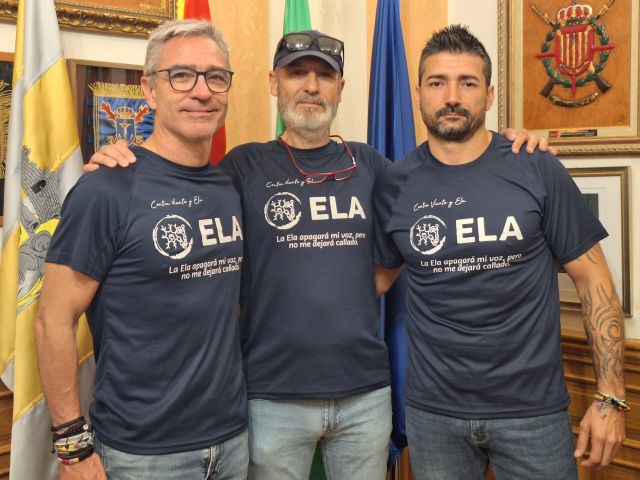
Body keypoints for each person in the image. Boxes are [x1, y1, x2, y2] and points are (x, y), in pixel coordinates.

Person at [87, 29, 553, 479]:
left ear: (340, 88)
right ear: (274, 83)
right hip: (269, 396)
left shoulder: (372, 166)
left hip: (364, 395)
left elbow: (429, 209)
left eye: (325, 75)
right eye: (296, 73)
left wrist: (510, 145)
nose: (311, 86)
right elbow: (179, 185)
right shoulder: (241, 167)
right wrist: (123, 159)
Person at [374, 24, 627, 479]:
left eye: (468, 83)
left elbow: (594, 281)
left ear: (489, 95)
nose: (452, 97)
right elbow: (373, 281)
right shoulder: (395, 183)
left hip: (532, 413)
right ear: (418, 93)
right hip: (434, 415)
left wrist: (611, 395)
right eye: (437, 83)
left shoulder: (536, 166)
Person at [34, 20, 248, 480]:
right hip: (142, 454)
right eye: (181, 76)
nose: (202, 91)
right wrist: (73, 449)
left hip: (233, 440)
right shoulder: (106, 189)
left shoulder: (231, 186)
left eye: (215, 77)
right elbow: (53, 320)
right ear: (149, 90)